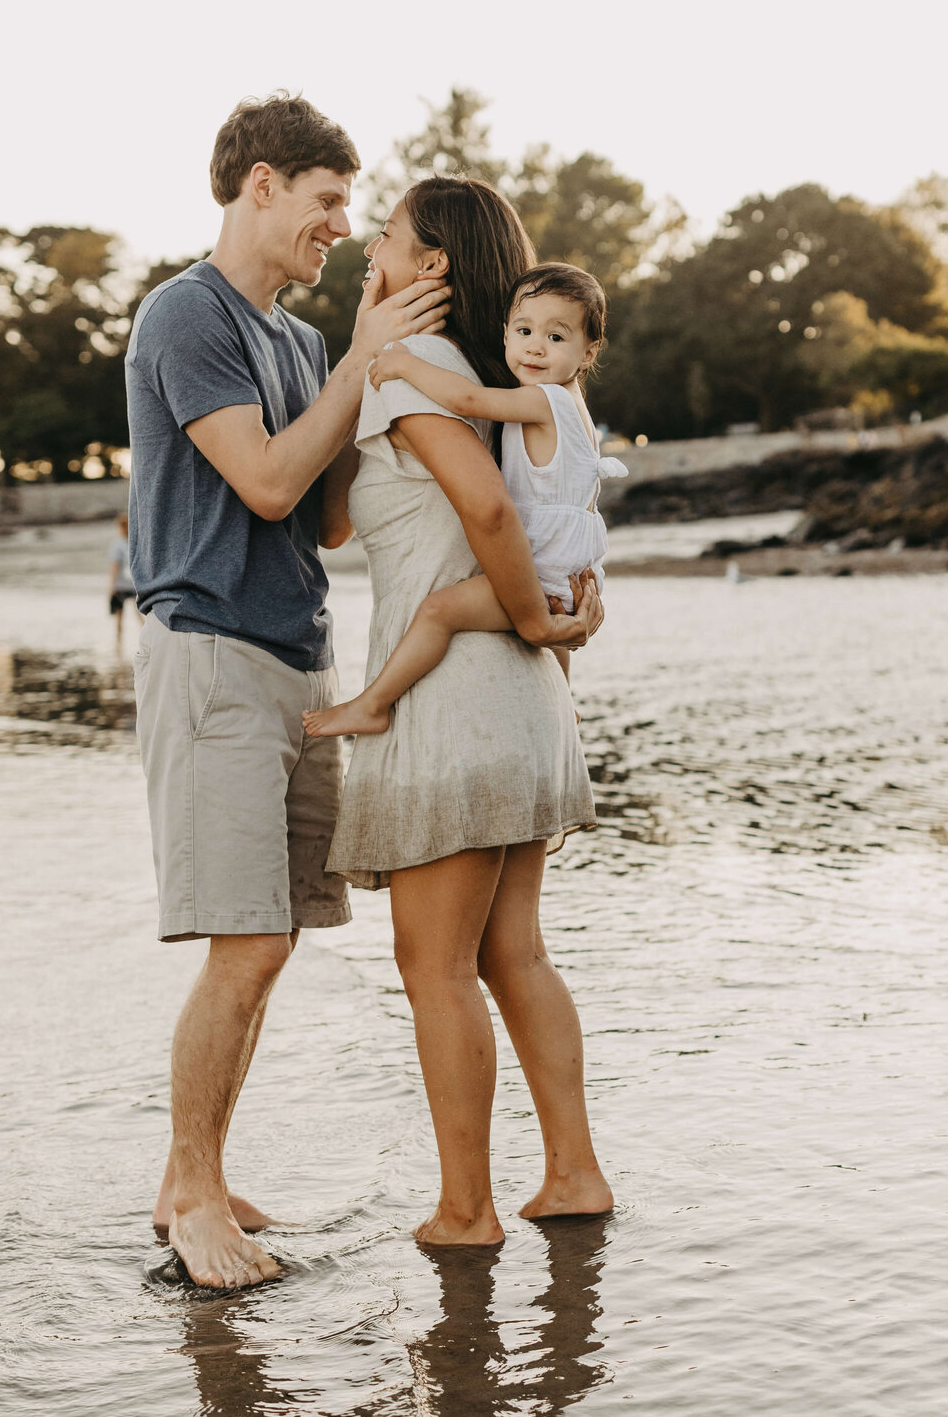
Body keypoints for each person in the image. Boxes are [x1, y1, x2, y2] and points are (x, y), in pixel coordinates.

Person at [125, 92, 456, 1291]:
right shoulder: (185, 315)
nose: (337, 228)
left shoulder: (296, 341)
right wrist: (361, 358)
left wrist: (388, 389)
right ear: (260, 184)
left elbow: (319, 511)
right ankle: (196, 1196)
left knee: (269, 946)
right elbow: (264, 480)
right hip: (210, 652)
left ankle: (189, 1173)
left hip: (295, 654)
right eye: (326, 205)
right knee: (246, 938)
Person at [319, 178, 613, 1247]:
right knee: (512, 953)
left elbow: (488, 507)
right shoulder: (475, 372)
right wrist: (359, 353)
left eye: (385, 234)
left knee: (432, 963)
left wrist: (536, 622)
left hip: (458, 697)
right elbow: (340, 520)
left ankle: (464, 1210)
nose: (366, 244)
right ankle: (572, 1174)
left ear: (432, 262)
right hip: (515, 699)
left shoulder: (427, 369)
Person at [301, 261, 627, 738]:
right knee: (549, 637)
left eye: (556, 338)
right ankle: (565, 699)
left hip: (541, 568)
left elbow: (469, 401)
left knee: (439, 612)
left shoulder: (544, 401)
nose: (536, 345)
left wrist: (406, 365)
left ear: (588, 351)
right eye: (524, 330)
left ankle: (372, 704)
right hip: (567, 570)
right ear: (505, 331)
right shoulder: (575, 409)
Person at [107, 511, 139, 652]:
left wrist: (111, 586)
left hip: (122, 585)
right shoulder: (135, 542)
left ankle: (118, 645)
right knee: (138, 615)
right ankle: (120, 644)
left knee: (121, 618)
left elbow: (114, 567)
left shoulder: (118, 545)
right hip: (133, 584)